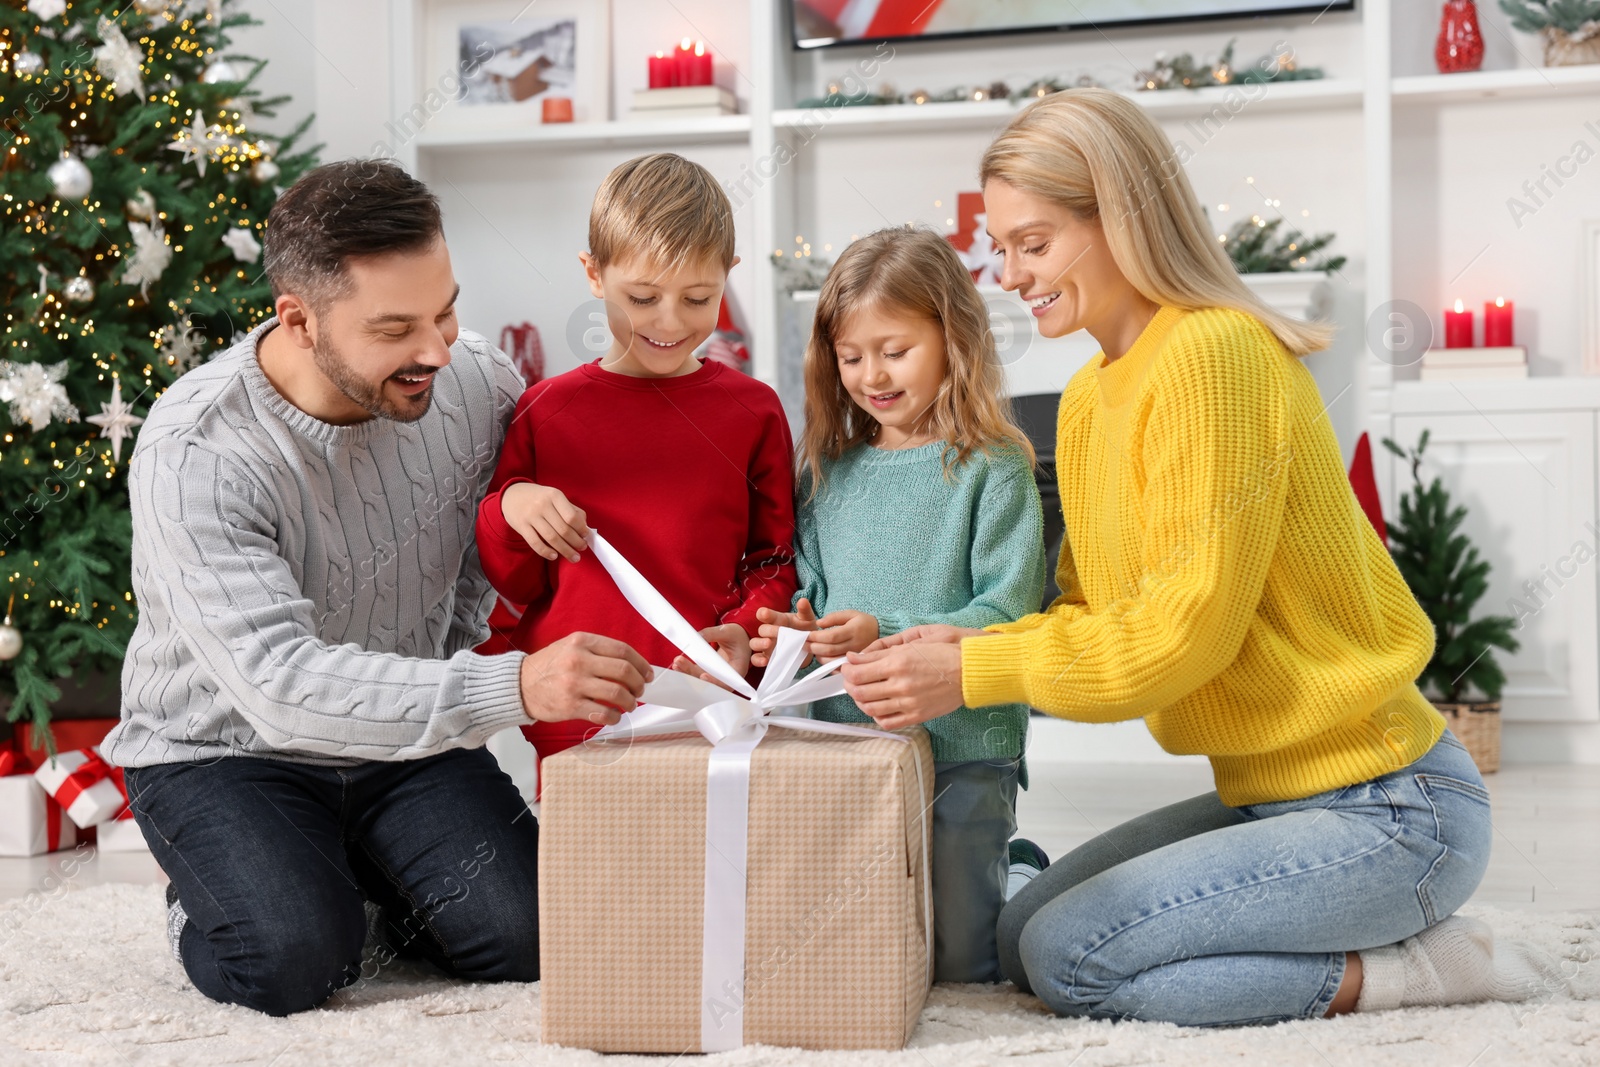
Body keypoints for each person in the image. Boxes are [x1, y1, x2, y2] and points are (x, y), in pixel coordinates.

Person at [838, 89, 1564, 1025]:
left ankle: (1430, 971)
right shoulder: (1095, 396)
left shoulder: (1214, 355)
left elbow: (1181, 635)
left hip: (1390, 808)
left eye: (1035, 242)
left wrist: (974, 668)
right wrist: (939, 641)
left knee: (1072, 960)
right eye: (1002, 248)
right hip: (1272, 798)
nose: (1008, 274)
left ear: (1121, 218)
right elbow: (1088, 612)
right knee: (1022, 937)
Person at [104, 159, 651, 1017]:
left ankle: (346, 860)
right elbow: (279, 686)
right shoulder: (199, 450)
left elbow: (548, 536)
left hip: (405, 746)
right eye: (397, 326)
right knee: (292, 959)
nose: (435, 348)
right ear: (299, 319)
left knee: (530, 938)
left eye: (445, 309)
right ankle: (212, 894)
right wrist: (516, 685)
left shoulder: (473, 382)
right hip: (226, 750)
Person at [751, 227, 1047, 984]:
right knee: (867, 938)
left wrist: (880, 628)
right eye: (851, 356)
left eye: (895, 350)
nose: (871, 375)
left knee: (962, 963)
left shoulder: (996, 465)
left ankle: (1010, 865)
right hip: (847, 743)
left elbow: (1007, 613)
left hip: (965, 742)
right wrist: (800, 626)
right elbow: (812, 593)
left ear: (953, 339)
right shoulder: (828, 470)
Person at [475, 153, 798, 765]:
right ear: (593, 273)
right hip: (580, 715)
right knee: (588, 861)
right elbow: (510, 581)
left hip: (709, 704)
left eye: (699, 298)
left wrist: (746, 627)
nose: (670, 322)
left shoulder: (754, 411)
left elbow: (775, 557)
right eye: (643, 298)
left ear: (728, 275)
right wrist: (510, 505)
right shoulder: (545, 411)